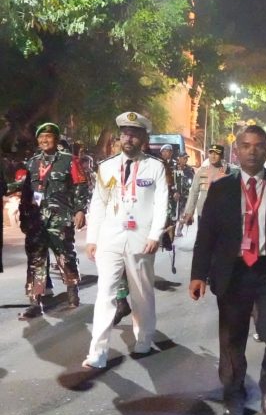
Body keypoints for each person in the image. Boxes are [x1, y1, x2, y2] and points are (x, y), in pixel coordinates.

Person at [189, 125, 266, 415]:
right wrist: (198, 274)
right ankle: (233, 395)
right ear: (237, 150)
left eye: (258, 146)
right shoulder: (221, 188)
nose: (252, 151)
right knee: (231, 341)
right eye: (246, 145)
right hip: (234, 273)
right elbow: (206, 236)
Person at [82, 112, 169, 368]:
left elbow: (161, 203)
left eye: (134, 134)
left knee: (141, 293)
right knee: (105, 294)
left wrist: (155, 234)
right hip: (111, 238)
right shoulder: (107, 167)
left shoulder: (155, 167)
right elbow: (98, 203)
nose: (128, 139)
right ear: (119, 137)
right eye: (124, 134)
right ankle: (97, 353)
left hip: (141, 240)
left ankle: (143, 339)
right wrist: (92, 238)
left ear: (143, 138)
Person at [19, 122, 89, 319]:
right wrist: (24, 215)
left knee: (65, 255)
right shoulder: (32, 162)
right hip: (36, 219)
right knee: (35, 260)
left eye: (48, 136)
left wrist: (80, 210)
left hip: (60, 216)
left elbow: (80, 186)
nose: (44, 140)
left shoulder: (69, 160)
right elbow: (26, 192)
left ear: (56, 139)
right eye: (41, 137)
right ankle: (35, 301)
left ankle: (72, 291)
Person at [182, 145, 232, 225]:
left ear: (222, 156)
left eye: (216, 154)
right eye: (211, 153)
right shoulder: (201, 171)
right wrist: (189, 212)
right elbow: (194, 192)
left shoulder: (229, 172)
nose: (213, 156)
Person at [174, 152, 194, 237]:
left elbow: (193, 181)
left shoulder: (189, 169)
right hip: (174, 195)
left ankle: (179, 230)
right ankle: (171, 230)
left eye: (186, 158)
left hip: (185, 195)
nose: (185, 160)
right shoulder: (174, 167)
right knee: (173, 213)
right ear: (179, 158)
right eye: (184, 158)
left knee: (183, 213)